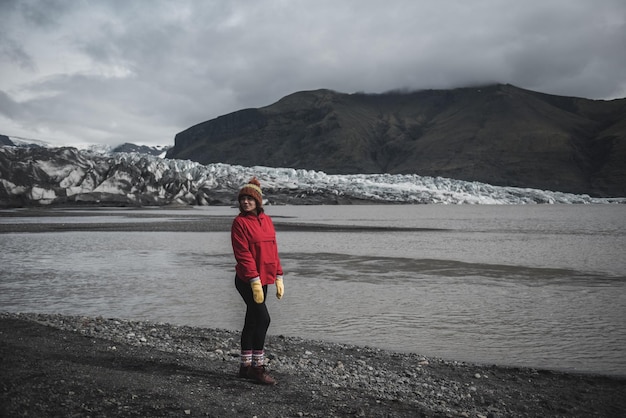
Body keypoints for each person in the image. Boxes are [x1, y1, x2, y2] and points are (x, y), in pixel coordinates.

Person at [231, 177, 284, 385]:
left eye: (249, 199)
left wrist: (279, 275)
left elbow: (273, 250)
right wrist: (253, 280)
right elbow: (243, 254)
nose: (245, 202)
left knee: (252, 320)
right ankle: (257, 368)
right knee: (263, 319)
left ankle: (245, 367)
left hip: (264, 279)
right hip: (247, 280)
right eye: (242, 199)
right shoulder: (239, 223)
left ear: (258, 201)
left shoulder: (267, 221)